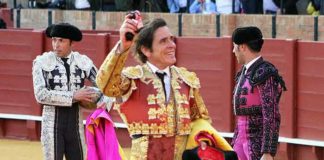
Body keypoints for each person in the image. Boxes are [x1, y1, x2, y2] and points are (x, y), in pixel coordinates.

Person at [96, 11, 233, 159]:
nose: (172, 45)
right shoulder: (132, 78)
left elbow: (200, 119)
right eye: (163, 41)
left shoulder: (186, 79)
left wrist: (203, 140)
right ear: (146, 50)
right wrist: (122, 46)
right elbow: (106, 85)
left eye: (171, 39)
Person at [32, 23, 99, 160]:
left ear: (71, 42)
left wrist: (101, 99)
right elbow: (40, 95)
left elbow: (102, 84)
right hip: (52, 126)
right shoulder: (42, 62)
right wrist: (74, 96)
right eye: (54, 40)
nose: (56, 45)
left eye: (61, 40)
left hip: (75, 125)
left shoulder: (83, 62)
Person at [231, 26, 286, 160]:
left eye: (235, 46)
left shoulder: (265, 72)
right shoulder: (243, 73)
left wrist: (268, 151)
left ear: (243, 47)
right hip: (240, 138)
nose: (233, 51)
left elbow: (271, 114)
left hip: (257, 141)